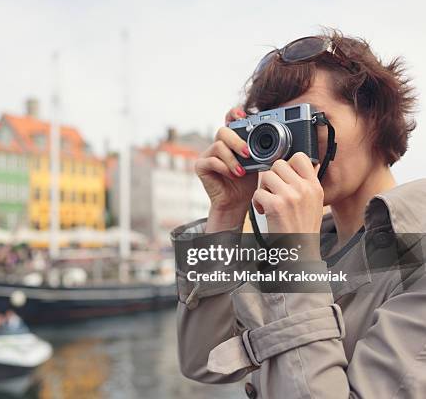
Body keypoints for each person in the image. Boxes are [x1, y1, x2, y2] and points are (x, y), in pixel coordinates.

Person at [173, 29, 426, 398]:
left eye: (309, 122)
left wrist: (297, 259)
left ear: (373, 118)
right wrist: (226, 213)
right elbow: (203, 361)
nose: (289, 150)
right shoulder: (307, 244)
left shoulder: (415, 252)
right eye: (275, 131)